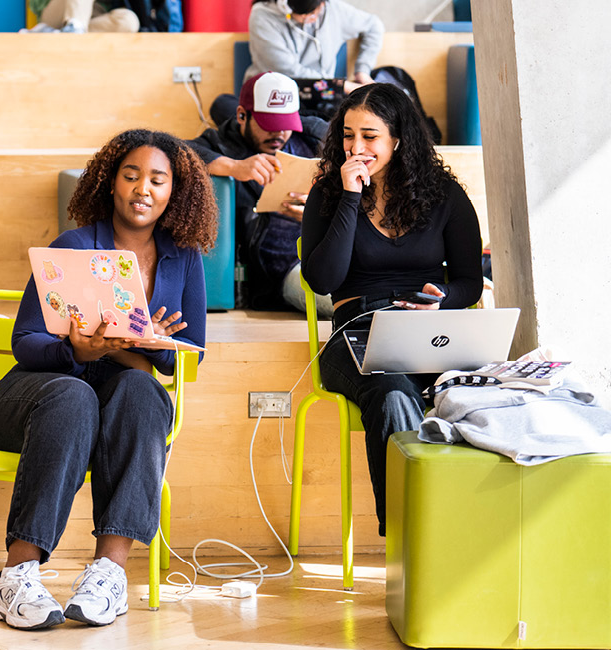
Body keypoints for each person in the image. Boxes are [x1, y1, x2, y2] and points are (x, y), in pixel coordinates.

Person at [0, 129, 216, 630]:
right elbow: (24, 342)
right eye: (131, 176)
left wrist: (150, 344)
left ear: (176, 191)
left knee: (142, 392)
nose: (142, 189)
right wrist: (75, 349)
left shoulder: (184, 257)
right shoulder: (73, 246)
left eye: (157, 179)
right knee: (75, 395)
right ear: (111, 183)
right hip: (35, 395)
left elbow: (189, 355)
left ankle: (109, 574)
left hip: (114, 392)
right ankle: (15, 577)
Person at [300, 83, 483, 535]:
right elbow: (323, 280)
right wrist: (348, 196)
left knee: (480, 395)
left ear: (398, 139)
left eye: (369, 136)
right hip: (358, 331)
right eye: (348, 135)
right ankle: (413, 534)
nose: (356, 148)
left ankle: (478, 530)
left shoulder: (443, 195)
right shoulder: (328, 193)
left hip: (428, 330)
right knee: (393, 394)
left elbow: (469, 281)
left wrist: (442, 304)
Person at [187, 71, 332, 314]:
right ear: (242, 115)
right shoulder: (221, 143)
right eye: (269, 126)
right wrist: (234, 166)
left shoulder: (316, 136)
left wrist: (319, 214)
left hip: (329, 253)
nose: (279, 135)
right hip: (280, 269)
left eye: (286, 126)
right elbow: (171, 152)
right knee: (337, 298)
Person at [245, 0, 384, 93]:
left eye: (314, 12)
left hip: (326, 95)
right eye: (303, 15)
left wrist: (362, 71)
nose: (310, 19)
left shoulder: (333, 9)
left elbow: (374, 26)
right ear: (284, 5)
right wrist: (342, 86)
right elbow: (289, 72)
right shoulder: (262, 16)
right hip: (277, 94)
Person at [25, 0, 140, 33]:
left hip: (96, 13)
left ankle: (63, 34)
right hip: (58, 10)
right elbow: (36, 5)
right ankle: (74, 28)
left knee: (129, 21)